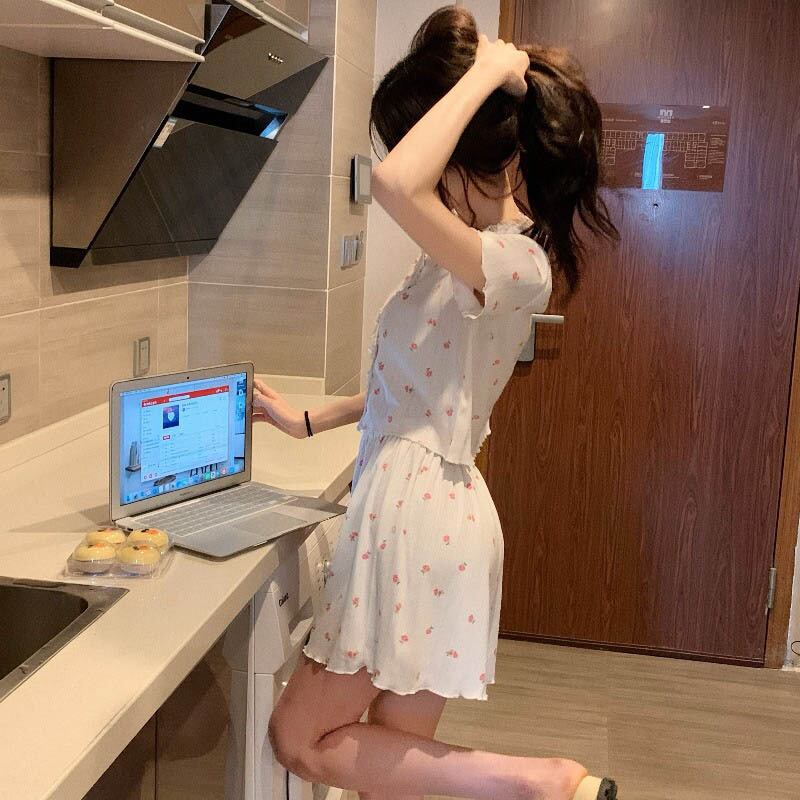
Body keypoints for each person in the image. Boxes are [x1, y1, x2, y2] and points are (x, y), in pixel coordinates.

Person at [255, 6, 618, 800]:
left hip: (416, 519)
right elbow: (413, 388)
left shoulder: (515, 264)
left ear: (466, 152)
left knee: (298, 737)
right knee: (390, 775)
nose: (415, 165)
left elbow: (392, 184)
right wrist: (308, 420)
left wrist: (488, 71)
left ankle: (538, 783)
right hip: (423, 513)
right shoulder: (462, 256)